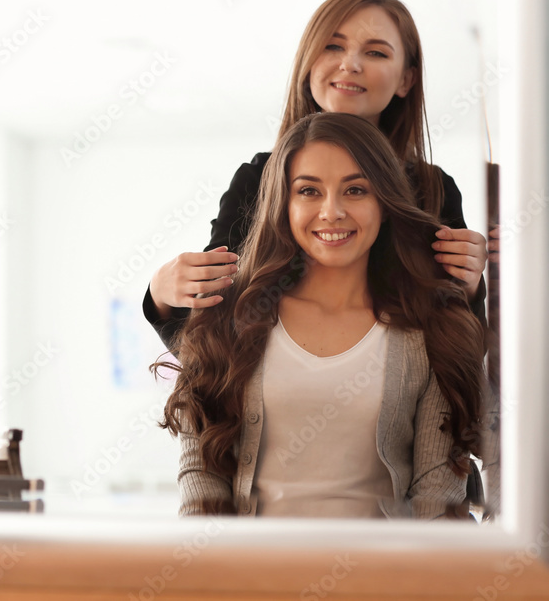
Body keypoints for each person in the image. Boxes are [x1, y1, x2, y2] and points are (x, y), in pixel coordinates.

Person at [156, 112, 490, 519]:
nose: (331, 212)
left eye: (355, 190)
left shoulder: (431, 330)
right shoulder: (228, 320)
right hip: (252, 577)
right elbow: (201, 481)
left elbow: (438, 503)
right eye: (309, 191)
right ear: (284, 203)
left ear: (384, 203)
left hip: (384, 578)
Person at [144, 0, 489, 351]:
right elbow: (206, 344)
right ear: (308, 63)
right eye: (333, 46)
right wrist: (162, 295)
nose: (350, 64)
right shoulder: (259, 179)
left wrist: (469, 285)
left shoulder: (433, 188)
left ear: (406, 79)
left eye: (375, 52)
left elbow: (464, 352)